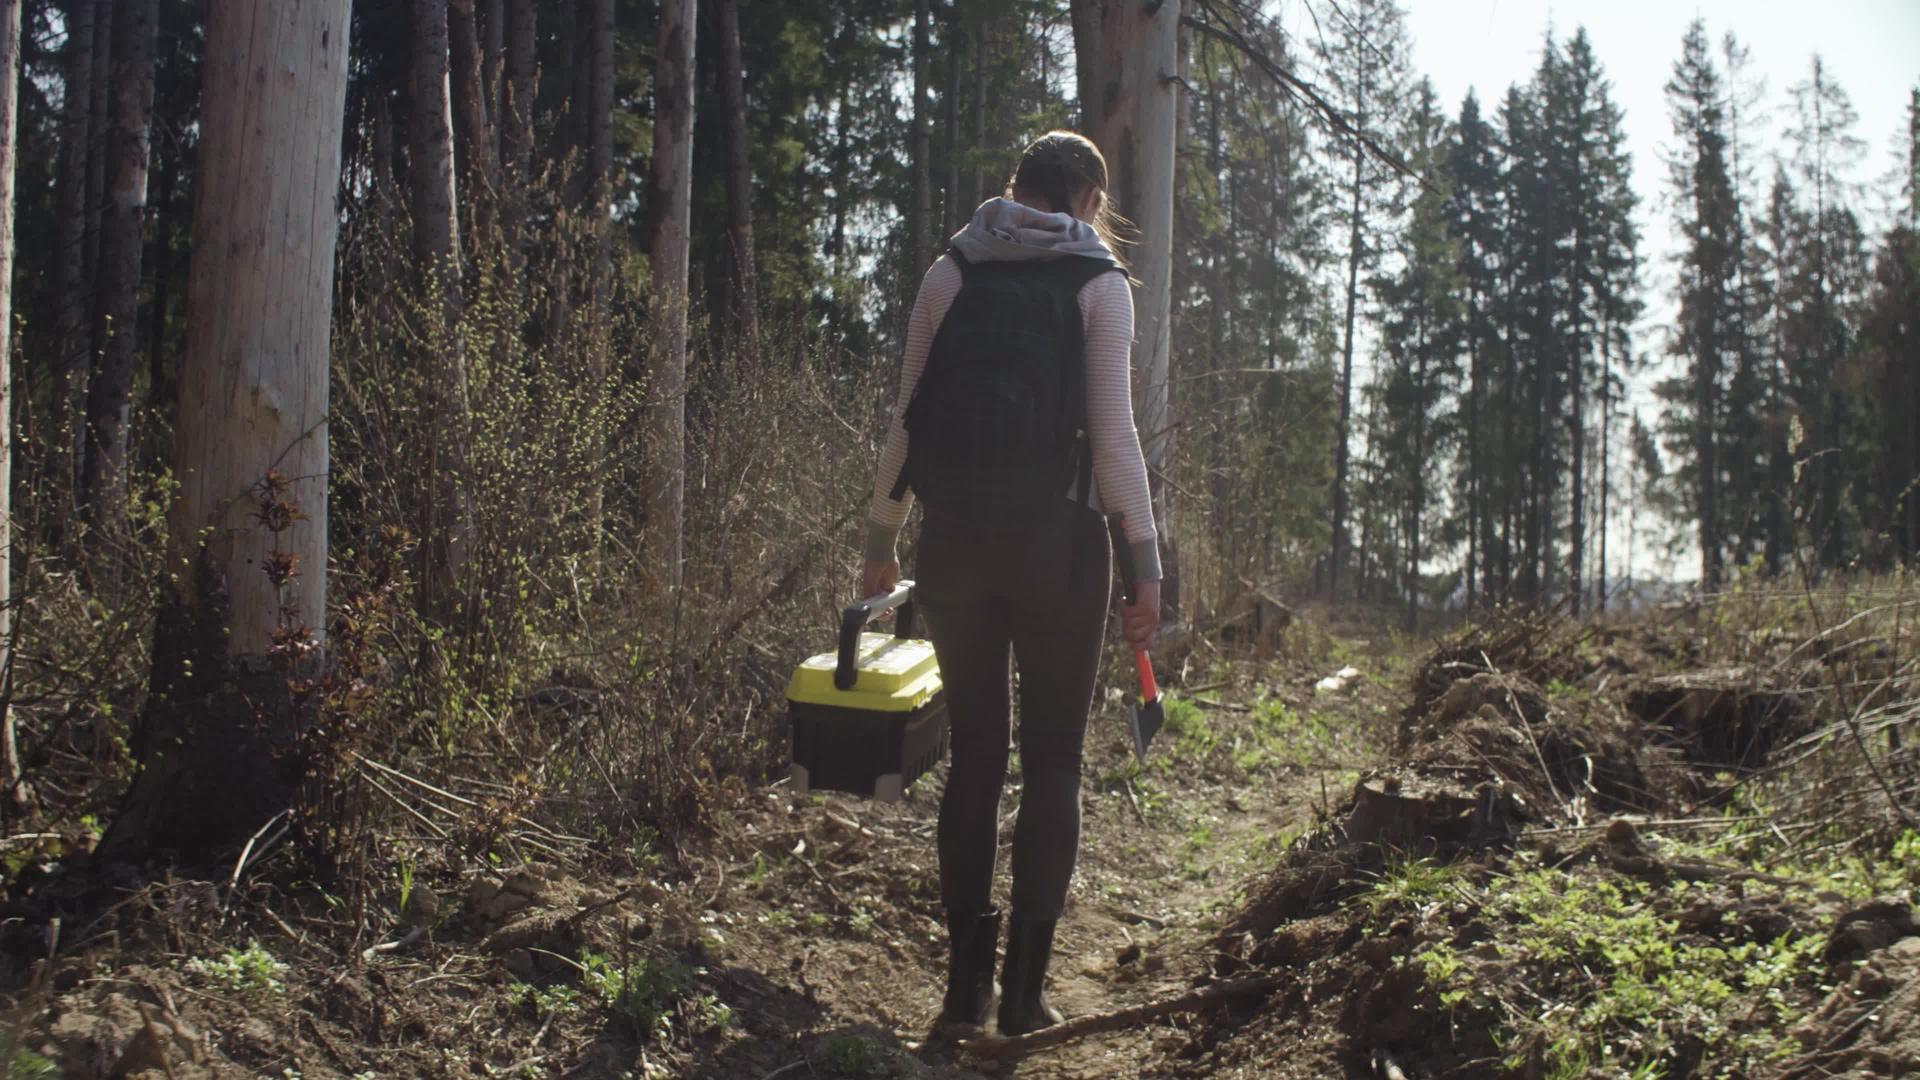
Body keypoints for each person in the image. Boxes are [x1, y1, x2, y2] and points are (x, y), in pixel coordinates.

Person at [860, 130, 1161, 1037]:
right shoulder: (1099, 285)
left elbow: (907, 416)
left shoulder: (952, 269)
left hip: (955, 546)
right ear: (1088, 202)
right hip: (1060, 549)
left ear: (1013, 187)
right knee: (1056, 761)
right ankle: (1027, 998)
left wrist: (882, 538)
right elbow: (1114, 440)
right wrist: (1144, 564)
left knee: (977, 763)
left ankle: (963, 993)